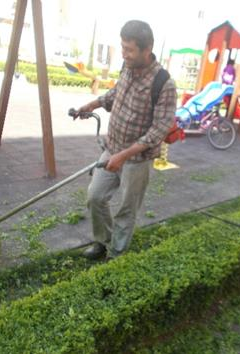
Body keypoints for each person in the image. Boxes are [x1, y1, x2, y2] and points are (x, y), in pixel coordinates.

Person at [77, 20, 177, 260]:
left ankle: (116, 256)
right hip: (112, 148)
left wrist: (123, 156)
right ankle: (103, 240)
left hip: (137, 159)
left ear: (147, 48)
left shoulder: (163, 84)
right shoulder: (127, 67)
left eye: (129, 50)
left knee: (126, 210)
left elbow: (159, 130)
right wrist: (94, 104)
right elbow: (116, 93)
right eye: (123, 48)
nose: (124, 54)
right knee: (95, 196)